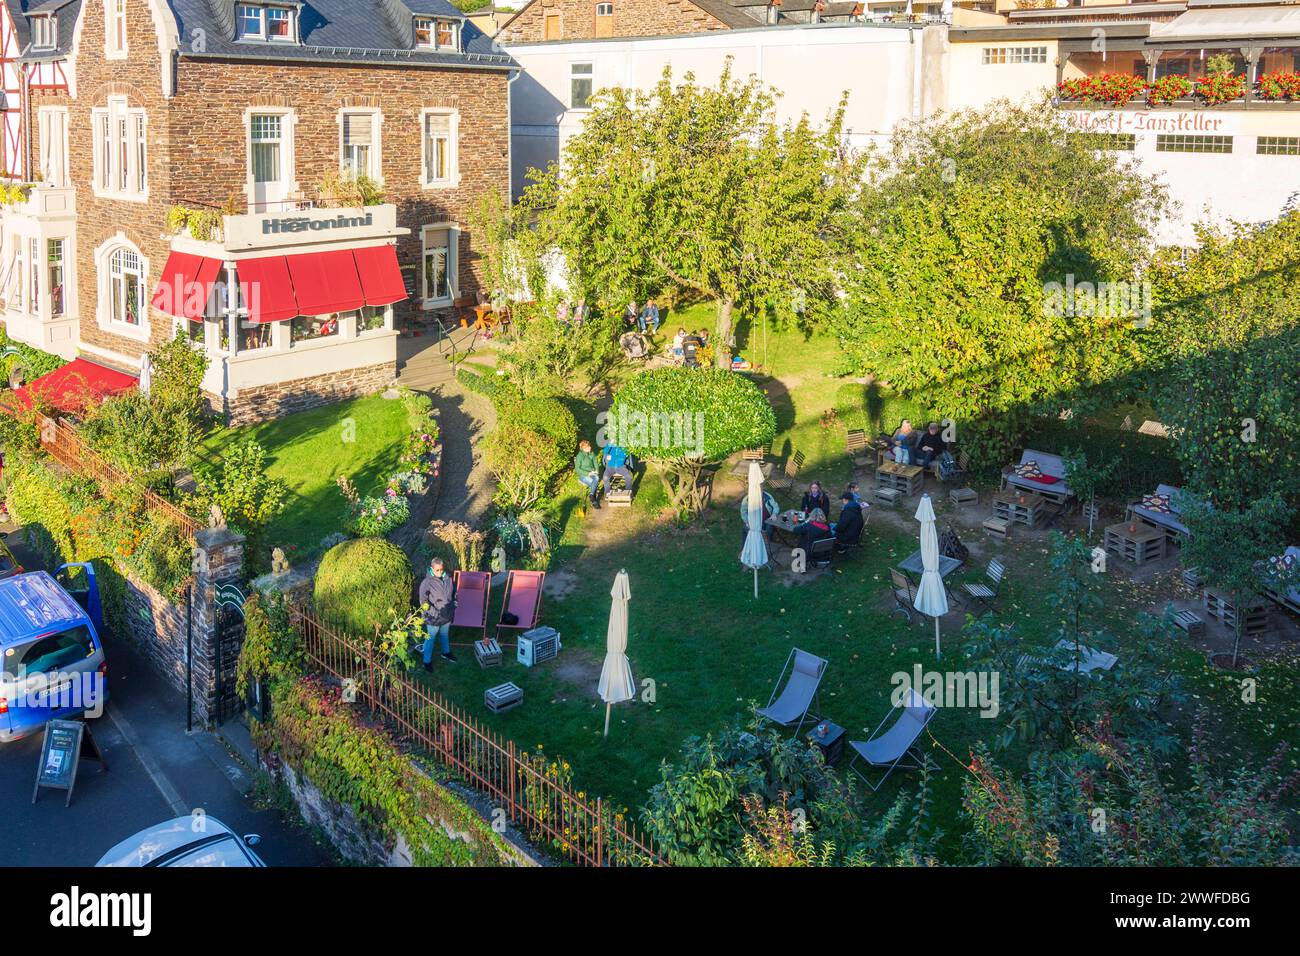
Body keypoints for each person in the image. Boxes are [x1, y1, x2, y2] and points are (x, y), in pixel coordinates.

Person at [418, 557, 457, 669]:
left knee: (444, 635)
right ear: (432, 569)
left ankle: (446, 652)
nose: (440, 572)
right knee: (431, 638)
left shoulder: (448, 578)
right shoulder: (427, 582)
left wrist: (455, 604)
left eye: (441, 569)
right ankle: (427, 661)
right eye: (437, 570)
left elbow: (454, 593)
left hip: (447, 614)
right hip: (433, 617)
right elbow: (423, 602)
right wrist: (435, 612)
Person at [574, 439, 602, 508]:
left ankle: (592, 496)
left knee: (596, 478)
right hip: (583, 475)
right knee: (594, 482)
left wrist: (597, 470)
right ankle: (593, 500)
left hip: (592, 473)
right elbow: (577, 469)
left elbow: (595, 463)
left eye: (589, 446)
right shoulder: (579, 456)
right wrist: (587, 473)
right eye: (588, 447)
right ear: (583, 448)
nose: (590, 448)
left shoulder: (592, 453)